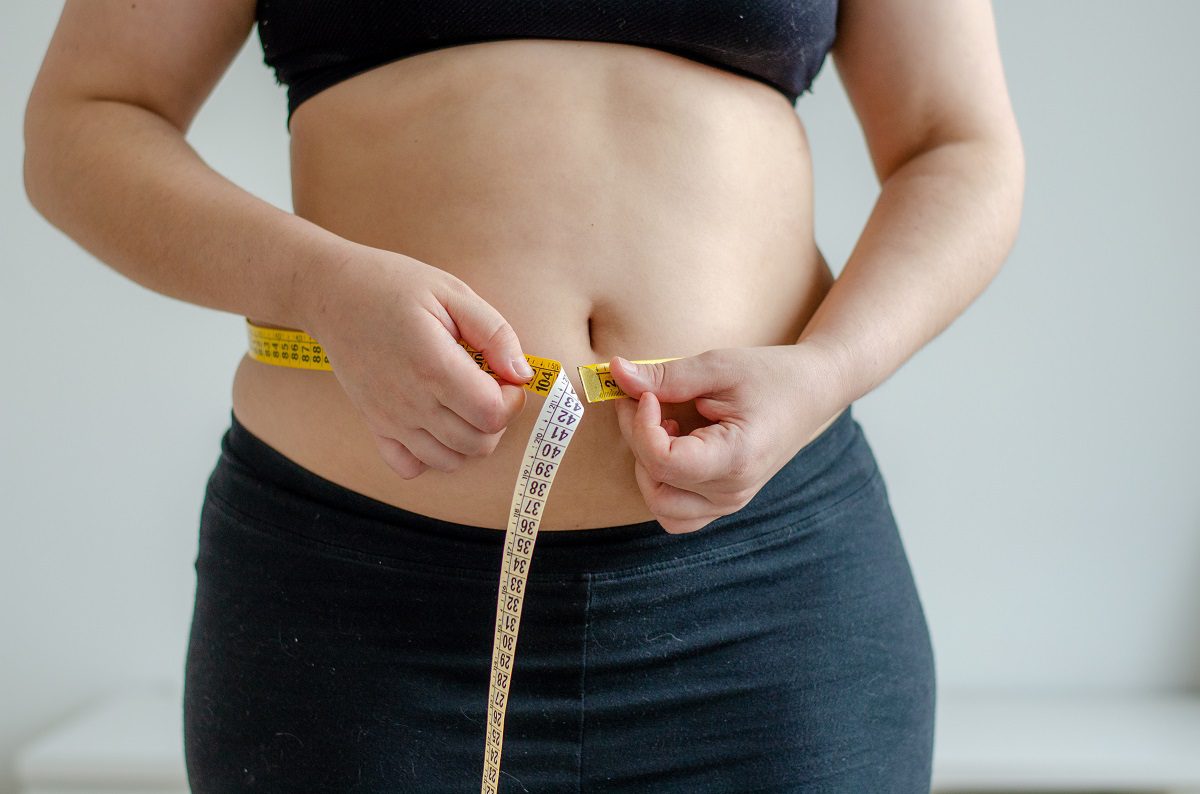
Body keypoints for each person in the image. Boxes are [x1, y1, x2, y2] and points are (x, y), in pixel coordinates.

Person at [22, 0, 1024, 790]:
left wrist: (828, 368)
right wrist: (312, 286)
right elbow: (85, 122)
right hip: (356, 603)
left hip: (766, 591)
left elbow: (959, 145)